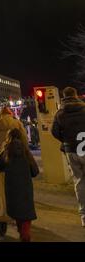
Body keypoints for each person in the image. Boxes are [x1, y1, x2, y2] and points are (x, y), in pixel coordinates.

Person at [0, 128, 39, 242]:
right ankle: (25, 234)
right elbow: (35, 171)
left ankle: (22, 232)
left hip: (11, 187)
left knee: (16, 210)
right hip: (25, 187)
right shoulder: (26, 152)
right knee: (25, 212)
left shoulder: (5, 152)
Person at [51, 86, 85, 228]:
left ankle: (84, 215)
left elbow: (54, 132)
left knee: (79, 181)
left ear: (63, 97)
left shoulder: (60, 113)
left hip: (71, 150)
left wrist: (65, 141)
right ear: (75, 95)